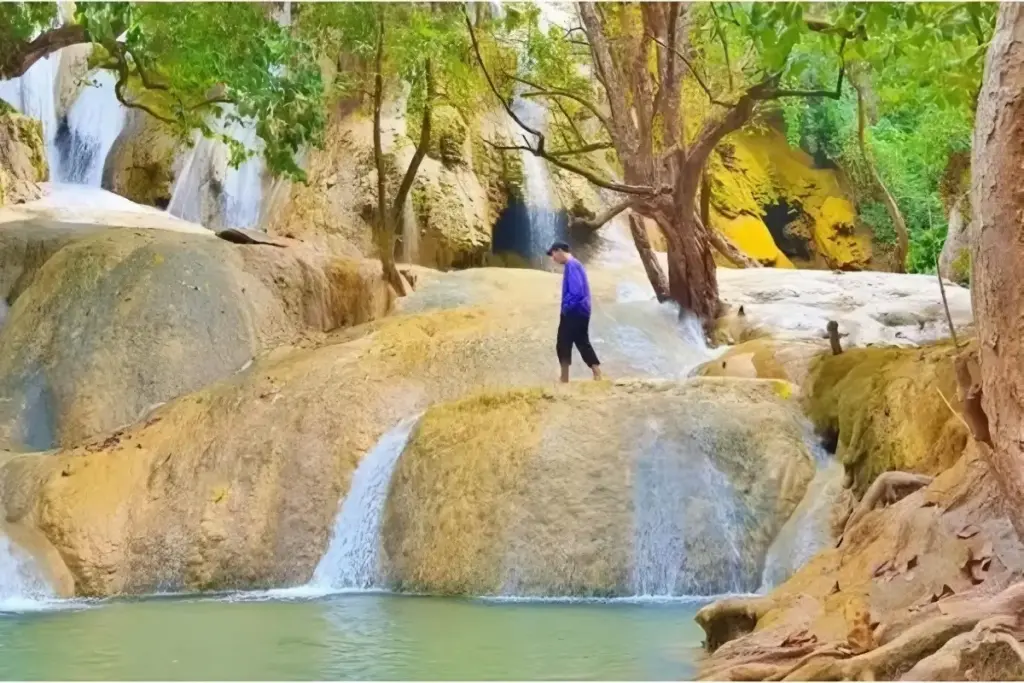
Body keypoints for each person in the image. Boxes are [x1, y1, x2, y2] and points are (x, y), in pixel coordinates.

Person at [547, 241, 602, 383]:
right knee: (582, 341)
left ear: (559, 251)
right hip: (582, 310)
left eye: (553, 254)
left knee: (563, 343)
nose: (553, 258)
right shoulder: (575, 264)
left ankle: (564, 378)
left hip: (574, 311)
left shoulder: (571, 265)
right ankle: (597, 373)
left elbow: (576, 291)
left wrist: (566, 307)